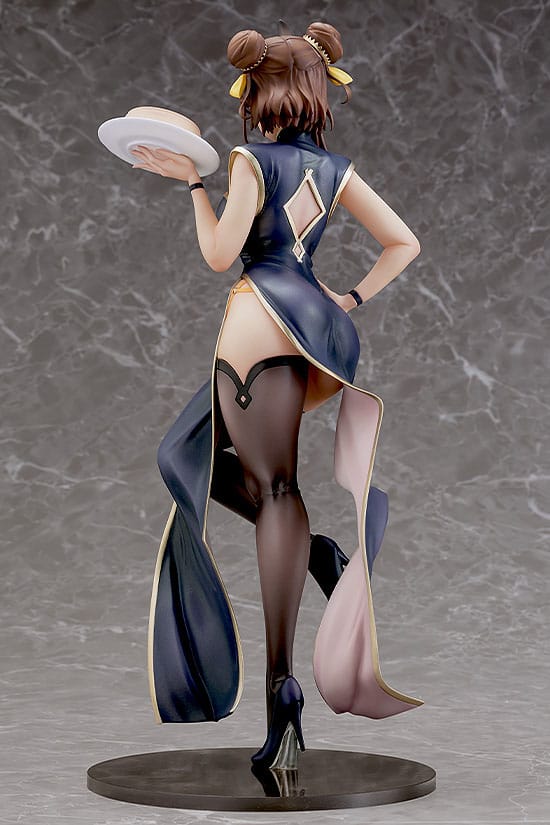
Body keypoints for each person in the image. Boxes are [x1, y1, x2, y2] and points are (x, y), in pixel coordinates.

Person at [131, 20, 423, 773]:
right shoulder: (334, 170)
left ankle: (282, 694)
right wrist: (349, 299)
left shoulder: (249, 160)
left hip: (257, 328)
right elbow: (404, 241)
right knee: (186, 456)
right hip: (310, 330)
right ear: (318, 93)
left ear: (255, 95)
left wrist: (193, 184)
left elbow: (219, 255)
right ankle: (315, 551)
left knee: (276, 488)